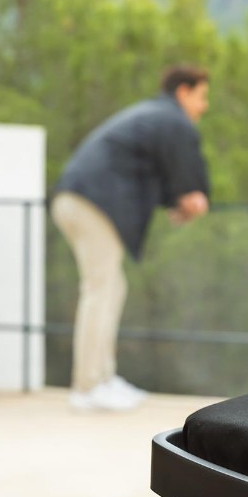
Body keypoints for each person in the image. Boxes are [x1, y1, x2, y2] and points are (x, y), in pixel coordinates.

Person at [51, 64, 211, 411]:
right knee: (100, 288)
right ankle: (87, 387)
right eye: (201, 96)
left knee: (111, 286)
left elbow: (157, 173)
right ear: (183, 91)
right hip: (90, 203)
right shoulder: (172, 119)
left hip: (81, 200)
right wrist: (191, 197)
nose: (204, 106)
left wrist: (181, 197)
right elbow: (188, 181)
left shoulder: (155, 116)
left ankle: (103, 379)